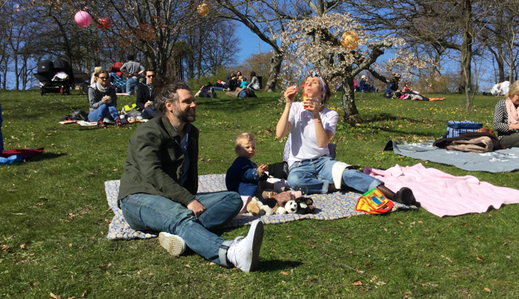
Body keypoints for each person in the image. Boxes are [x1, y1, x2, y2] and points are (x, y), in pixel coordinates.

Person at [118, 81, 263, 272]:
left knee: (232, 199)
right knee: (181, 215)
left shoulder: (191, 133)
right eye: (187, 101)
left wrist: (189, 197)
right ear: (169, 105)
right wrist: (188, 200)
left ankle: (182, 236)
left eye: (193, 100)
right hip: (139, 197)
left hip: (172, 198)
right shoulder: (148, 132)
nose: (194, 105)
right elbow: (152, 173)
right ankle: (232, 253)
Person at [275, 73, 418, 205]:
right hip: (299, 165)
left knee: (349, 173)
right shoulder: (295, 107)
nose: (308, 84)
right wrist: (288, 103)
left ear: (322, 92)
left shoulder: (330, 114)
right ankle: (337, 185)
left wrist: (316, 114)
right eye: (306, 82)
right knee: (294, 181)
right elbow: (280, 134)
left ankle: (396, 196)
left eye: (314, 82)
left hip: (322, 161)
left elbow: (322, 142)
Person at [226, 132, 269, 198]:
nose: (251, 149)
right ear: (238, 149)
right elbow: (247, 174)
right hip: (245, 192)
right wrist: (258, 172)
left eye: (253, 147)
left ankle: (275, 187)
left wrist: (262, 174)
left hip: (250, 187)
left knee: (264, 185)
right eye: (247, 147)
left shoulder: (246, 161)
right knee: (269, 194)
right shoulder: (241, 163)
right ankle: (276, 196)